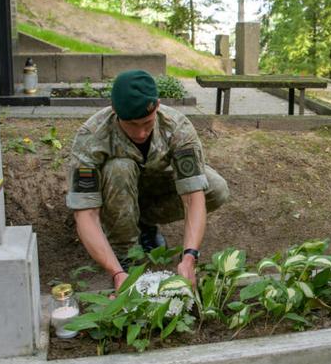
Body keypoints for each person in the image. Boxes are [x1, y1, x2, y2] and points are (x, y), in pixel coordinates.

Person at [65, 70, 230, 290]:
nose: (141, 133)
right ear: (115, 112)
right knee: (119, 167)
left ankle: (145, 224)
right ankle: (126, 255)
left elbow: (193, 197)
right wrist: (116, 272)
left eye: (147, 122)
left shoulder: (177, 127)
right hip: (113, 195)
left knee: (215, 187)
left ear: (158, 106)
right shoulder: (92, 136)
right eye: (132, 125)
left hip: (151, 191)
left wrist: (189, 256)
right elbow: (85, 214)